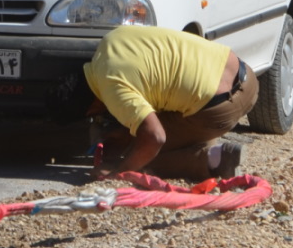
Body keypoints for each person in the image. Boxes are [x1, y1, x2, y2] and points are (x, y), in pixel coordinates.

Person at [47, 26, 258, 182]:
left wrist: (119, 173)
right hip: (244, 72)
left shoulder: (112, 89)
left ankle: (216, 158)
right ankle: (207, 143)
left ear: (90, 109)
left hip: (225, 105)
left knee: (141, 154)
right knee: (144, 130)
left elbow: (155, 138)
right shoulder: (110, 41)